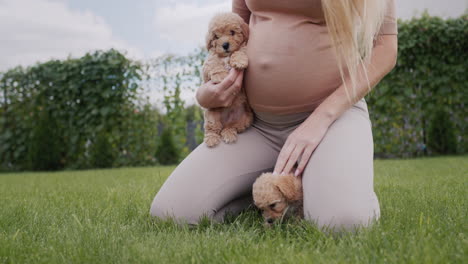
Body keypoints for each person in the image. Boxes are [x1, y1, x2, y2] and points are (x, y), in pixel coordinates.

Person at [150, 0, 398, 231]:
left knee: (342, 223)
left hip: (331, 122)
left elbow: (386, 48)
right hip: (256, 127)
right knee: (169, 213)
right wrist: (206, 94)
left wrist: (320, 119)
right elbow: (235, 30)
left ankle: (335, 183)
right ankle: (273, 191)